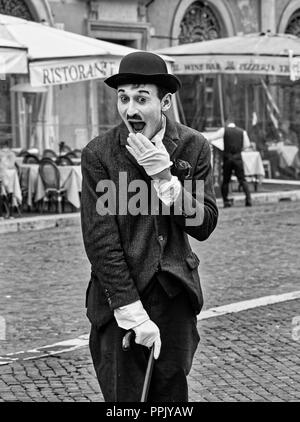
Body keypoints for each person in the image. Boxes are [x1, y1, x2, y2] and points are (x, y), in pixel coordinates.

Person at [81, 51, 218, 402]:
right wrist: (131, 312)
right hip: (119, 302)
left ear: (166, 101)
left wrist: (165, 179)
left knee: (171, 400)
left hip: (174, 298)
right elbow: (100, 240)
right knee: (125, 402)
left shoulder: (193, 146)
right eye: (123, 98)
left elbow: (203, 224)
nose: (130, 110)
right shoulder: (99, 154)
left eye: (142, 99)